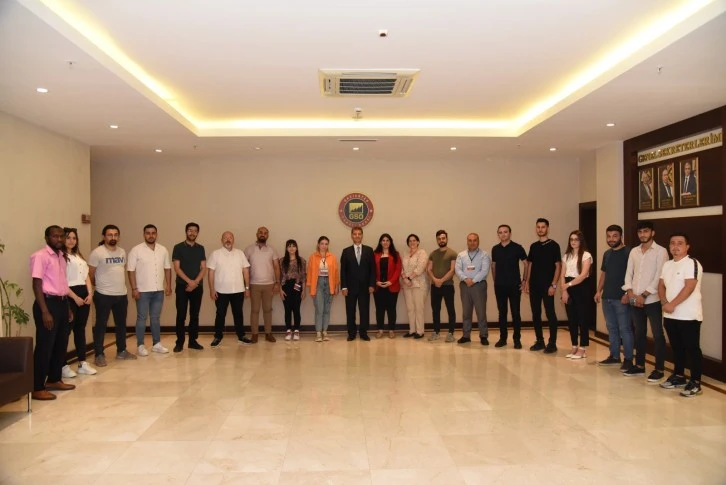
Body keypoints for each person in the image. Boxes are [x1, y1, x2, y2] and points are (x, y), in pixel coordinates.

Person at [30, 226, 75, 401]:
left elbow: (62, 283)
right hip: (47, 304)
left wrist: (67, 308)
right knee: (45, 346)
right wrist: (44, 311)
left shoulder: (61, 256)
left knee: (60, 344)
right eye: (55, 236)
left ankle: (54, 379)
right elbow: (36, 284)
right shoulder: (40, 256)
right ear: (47, 237)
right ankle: (37, 387)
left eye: (61, 236)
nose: (59, 239)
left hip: (62, 303)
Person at [658, 233, 704, 397]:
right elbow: (661, 285)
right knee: (677, 348)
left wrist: (672, 304)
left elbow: (689, 287)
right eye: (672, 243)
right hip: (670, 315)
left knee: (692, 349)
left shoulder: (692, 263)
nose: (675, 247)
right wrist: (664, 302)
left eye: (680, 243)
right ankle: (679, 376)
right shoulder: (667, 264)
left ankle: (696, 382)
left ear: (687, 247)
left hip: (688, 316)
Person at [622, 220, 668, 381]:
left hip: (652, 300)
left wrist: (644, 295)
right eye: (640, 232)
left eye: (646, 231)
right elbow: (629, 273)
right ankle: (640, 366)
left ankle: (659, 369)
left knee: (657, 335)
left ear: (652, 233)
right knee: (639, 333)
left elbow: (659, 276)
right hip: (635, 299)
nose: (643, 234)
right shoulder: (634, 252)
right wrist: (630, 292)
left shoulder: (661, 251)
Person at [89, 224, 137, 366]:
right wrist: (99, 286)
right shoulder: (97, 253)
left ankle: (121, 350)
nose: (113, 237)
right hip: (103, 295)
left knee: (121, 324)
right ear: (104, 236)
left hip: (121, 295)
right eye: (110, 235)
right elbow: (90, 275)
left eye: (115, 235)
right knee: (101, 325)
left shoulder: (122, 252)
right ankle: (99, 354)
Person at [127, 224, 172, 356]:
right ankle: (140, 345)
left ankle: (156, 344)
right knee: (142, 318)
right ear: (144, 234)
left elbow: (167, 268)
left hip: (158, 290)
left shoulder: (163, 250)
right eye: (148, 233)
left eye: (153, 233)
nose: (151, 235)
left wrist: (168, 285)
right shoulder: (136, 250)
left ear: (156, 234)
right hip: (142, 291)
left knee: (156, 318)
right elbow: (130, 270)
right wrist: (134, 288)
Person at [594, 225, 633, 371]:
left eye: (615, 236)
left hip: (621, 298)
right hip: (607, 297)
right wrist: (599, 291)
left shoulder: (629, 253)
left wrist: (628, 294)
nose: (611, 239)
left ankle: (628, 359)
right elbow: (604, 274)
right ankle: (614, 356)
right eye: (609, 236)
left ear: (621, 236)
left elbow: (634, 275)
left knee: (625, 329)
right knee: (612, 328)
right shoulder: (607, 254)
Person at [61, 227, 97, 378]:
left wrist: (90, 293)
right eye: (68, 237)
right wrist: (74, 297)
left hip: (84, 294)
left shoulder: (78, 256)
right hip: (69, 295)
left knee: (80, 329)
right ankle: (62, 365)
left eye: (74, 238)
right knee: (65, 331)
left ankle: (82, 362)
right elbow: (61, 281)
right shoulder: (60, 257)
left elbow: (86, 276)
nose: (71, 241)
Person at [207, 231, 252, 348]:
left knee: (238, 314)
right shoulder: (215, 254)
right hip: (221, 291)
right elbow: (211, 273)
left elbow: (246, 271)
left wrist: (247, 287)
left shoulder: (240, 253)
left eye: (230, 237)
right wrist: (211, 289)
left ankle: (241, 336)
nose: (228, 239)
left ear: (233, 240)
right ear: (221, 240)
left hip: (238, 290)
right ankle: (217, 336)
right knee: (220, 314)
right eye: (225, 238)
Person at [523, 218, 561, 354]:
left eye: (543, 227)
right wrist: (527, 282)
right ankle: (540, 341)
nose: (540, 229)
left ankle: (552, 343)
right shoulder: (533, 246)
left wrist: (554, 285)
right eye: (538, 227)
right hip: (534, 286)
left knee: (550, 313)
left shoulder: (554, 245)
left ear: (547, 228)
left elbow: (558, 266)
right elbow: (530, 265)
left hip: (548, 286)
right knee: (536, 314)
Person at [491, 224, 527, 349]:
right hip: (500, 286)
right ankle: (503, 339)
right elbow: (493, 265)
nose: (503, 234)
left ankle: (517, 340)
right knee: (502, 313)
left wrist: (524, 280)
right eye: (500, 232)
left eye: (505, 232)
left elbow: (526, 264)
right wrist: (495, 281)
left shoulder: (517, 248)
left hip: (514, 285)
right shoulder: (495, 249)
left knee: (515, 313)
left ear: (510, 233)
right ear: (498, 234)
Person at [172, 222, 206, 353]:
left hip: (197, 287)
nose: (192, 233)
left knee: (194, 315)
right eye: (190, 230)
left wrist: (195, 282)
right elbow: (177, 268)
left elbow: (203, 268)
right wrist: (189, 282)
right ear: (186, 232)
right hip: (182, 286)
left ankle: (193, 341)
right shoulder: (178, 247)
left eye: (195, 231)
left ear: (198, 233)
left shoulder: (201, 248)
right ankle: (179, 342)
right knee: (181, 315)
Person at [560, 230, 593, 360]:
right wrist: (564, 291)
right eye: (571, 239)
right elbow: (562, 275)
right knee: (572, 319)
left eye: (576, 239)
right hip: (568, 288)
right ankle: (574, 346)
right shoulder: (566, 256)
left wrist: (567, 285)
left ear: (581, 241)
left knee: (582, 318)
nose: (573, 242)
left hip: (581, 287)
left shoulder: (586, 255)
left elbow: (583, 275)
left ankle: (582, 348)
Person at [244, 227, 281, 343]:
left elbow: (276, 267)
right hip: (254, 284)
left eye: (265, 233)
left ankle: (268, 333)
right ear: (257, 234)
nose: (263, 234)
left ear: (267, 235)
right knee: (254, 310)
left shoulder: (272, 250)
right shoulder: (249, 249)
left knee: (268, 310)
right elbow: (245, 268)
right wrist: (246, 286)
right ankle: (254, 334)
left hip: (269, 285)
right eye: (261, 232)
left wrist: (277, 283)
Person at [340, 226, 376, 341]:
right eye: (355, 234)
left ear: (362, 235)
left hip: (365, 287)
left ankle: (363, 332)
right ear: (351, 236)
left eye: (359, 234)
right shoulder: (346, 251)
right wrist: (344, 287)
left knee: (364, 310)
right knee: (350, 310)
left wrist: (372, 284)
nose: (357, 236)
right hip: (350, 287)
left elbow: (373, 269)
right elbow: (343, 271)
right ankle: (351, 333)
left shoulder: (369, 250)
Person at [455, 233, 491, 345]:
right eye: (470, 240)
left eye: (475, 240)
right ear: (467, 242)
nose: (472, 242)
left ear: (478, 241)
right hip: (465, 285)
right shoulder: (461, 255)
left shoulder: (484, 255)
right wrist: (466, 279)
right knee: (466, 312)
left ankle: (483, 336)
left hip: (479, 285)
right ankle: (466, 336)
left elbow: (484, 270)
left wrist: (473, 281)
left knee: (481, 312)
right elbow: (457, 269)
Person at [427, 230, 457, 342]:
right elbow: (429, 269)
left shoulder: (452, 253)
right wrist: (435, 280)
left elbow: (452, 270)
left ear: (447, 239)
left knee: (450, 309)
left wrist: (442, 280)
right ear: (437, 240)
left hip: (448, 286)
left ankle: (451, 333)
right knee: (435, 309)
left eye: (443, 238)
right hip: (435, 286)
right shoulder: (433, 254)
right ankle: (436, 332)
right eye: (439, 238)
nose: (441, 240)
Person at [307, 236, 339, 342]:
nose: (324, 246)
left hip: (329, 283)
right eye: (322, 243)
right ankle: (318, 332)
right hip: (318, 284)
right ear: (318, 244)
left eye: (326, 244)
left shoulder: (332, 257)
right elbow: (310, 272)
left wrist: (336, 286)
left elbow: (335, 272)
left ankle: (325, 331)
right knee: (319, 309)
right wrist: (311, 288)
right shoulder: (313, 257)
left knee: (327, 309)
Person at [373, 233, 402, 339]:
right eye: (383, 240)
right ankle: (380, 330)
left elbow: (398, 270)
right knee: (379, 309)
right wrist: (376, 281)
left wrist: (391, 282)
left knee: (391, 309)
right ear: (380, 242)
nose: (385, 242)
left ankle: (391, 330)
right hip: (378, 286)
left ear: (390, 242)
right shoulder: (375, 254)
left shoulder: (396, 254)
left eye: (387, 240)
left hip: (392, 286)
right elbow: (371, 270)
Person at [400, 234, 428, 339]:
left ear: (418, 242)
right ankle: (412, 330)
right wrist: (404, 278)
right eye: (410, 241)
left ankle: (420, 331)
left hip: (419, 285)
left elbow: (420, 267)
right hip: (407, 285)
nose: (412, 242)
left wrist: (409, 278)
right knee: (410, 308)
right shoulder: (405, 254)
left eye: (414, 240)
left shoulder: (422, 253)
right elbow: (401, 268)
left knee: (418, 308)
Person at [279, 239, 306, 341]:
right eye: (289, 246)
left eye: (293, 246)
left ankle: (297, 330)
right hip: (285, 286)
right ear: (286, 248)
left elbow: (303, 276)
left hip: (297, 286)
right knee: (287, 309)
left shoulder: (301, 260)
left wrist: (304, 290)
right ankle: (288, 330)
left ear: (296, 248)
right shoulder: (282, 261)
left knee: (296, 309)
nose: (291, 248)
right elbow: (280, 276)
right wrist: (280, 290)